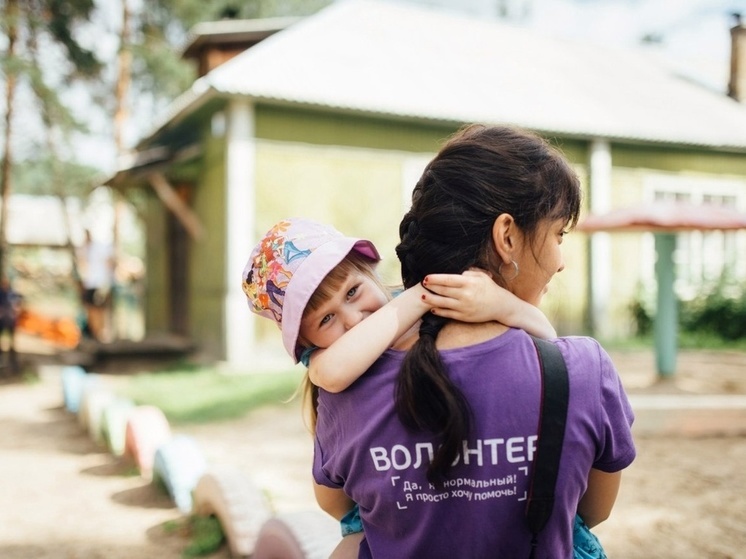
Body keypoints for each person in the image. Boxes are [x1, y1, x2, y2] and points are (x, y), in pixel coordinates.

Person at [311, 124, 636, 558]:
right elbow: (590, 511)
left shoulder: (346, 386)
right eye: (558, 235)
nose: (560, 261)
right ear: (507, 237)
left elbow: (340, 507)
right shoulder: (582, 370)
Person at [242, 217, 558, 555]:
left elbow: (548, 339)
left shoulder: (415, 307)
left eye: (352, 291)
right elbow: (330, 376)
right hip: (382, 521)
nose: (353, 319)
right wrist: (421, 296)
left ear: (370, 271)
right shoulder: (334, 358)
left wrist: (502, 304)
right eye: (326, 319)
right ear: (308, 343)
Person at [78, 229, 114, 342]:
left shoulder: (101, 247)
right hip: (91, 284)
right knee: (91, 309)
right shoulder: (85, 249)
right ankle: (95, 333)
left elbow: (109, 263)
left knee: (99, 310)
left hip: (99, 283)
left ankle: (100, 333)